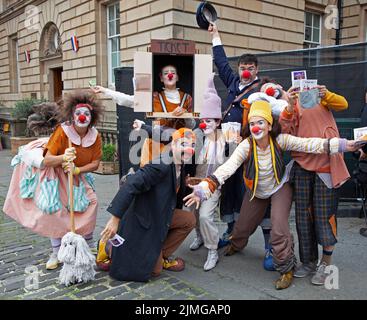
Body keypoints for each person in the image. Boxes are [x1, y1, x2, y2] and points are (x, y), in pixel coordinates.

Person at [184, 99, 358, 290]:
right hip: (256, 191)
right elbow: (228, 167)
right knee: (242, 227)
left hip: (279, 188)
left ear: (269, 124)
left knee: (279, 228)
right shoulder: (246, 145)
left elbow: (309, 144)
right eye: (252, 123)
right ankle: (236, 245)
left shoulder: (280, 140)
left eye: (260, 122)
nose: (256, 127)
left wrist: (343, 145)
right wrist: (206, 186)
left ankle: (286, 268)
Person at [3, 90, 103, 270]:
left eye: (86, 114)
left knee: (91, 205)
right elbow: (47, 160)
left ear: (92, 116)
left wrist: (78, 168)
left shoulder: (94, 136)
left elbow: (95, 163)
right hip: (55, 174)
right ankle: (56, 251)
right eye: (78, 113)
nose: (82, 117)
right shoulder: (63, 132)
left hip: (77, 175)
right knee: (56, 212)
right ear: (72, 116)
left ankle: (87, 245)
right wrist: (64, 158)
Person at [208, 22, 273, 270]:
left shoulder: (262, 89)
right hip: (228, 147)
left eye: (250, 68)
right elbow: (221, 62)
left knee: (258, 191)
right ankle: (233, 235)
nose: (246, 71)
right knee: (230, 190)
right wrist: (215, 36)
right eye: (243, 67)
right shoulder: (234, 83)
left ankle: (269, 246)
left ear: (256, 69)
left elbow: (275, 103)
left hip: (253, 151)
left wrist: (275, 93)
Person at [97, 128, 197, 281]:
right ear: (173, 145)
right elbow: (131, 183)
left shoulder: (180, 163)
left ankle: (160, 254)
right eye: (184, 144)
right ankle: (108, 247)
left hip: (161, 214)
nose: (190, 149)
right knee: (154, 271)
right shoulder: (161, 164)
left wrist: (185, 184)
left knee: (188, 220)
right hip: (145, 218)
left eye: (193, 145)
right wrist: (115, 219)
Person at [279, 84, 350, 285]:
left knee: (324, 216)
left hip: (326, 165)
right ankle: (308, 261)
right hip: (302, 165)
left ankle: (326, 263)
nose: (303, 89)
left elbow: (343, 104)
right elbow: (283, 130)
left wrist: (327, 93)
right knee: (302, 216)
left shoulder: (324, 99)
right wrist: (290, 106)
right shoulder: (291, 105)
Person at [92, 64, 193, 167]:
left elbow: (191, 126)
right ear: (161, 78)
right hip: (156, 144)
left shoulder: (187, 98)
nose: (170, 75)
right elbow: (128, 100)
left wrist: (186, 115)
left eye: (173, 73)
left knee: (176, 177)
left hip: (179, 145)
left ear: (177, 77)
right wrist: (105, 90)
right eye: (166, 73)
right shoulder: (154, 97)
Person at [188, 74, 233, 271]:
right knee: (193, 214)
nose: (206, 123)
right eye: (203, 120)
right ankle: (199, 235)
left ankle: (212, 249)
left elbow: (235, 158)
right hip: (194, 183)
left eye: (210, 120)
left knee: (206, 216)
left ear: (218, 120)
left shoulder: (227, 136)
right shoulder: (198, 136)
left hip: (214, 185)